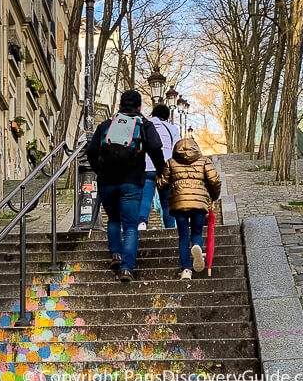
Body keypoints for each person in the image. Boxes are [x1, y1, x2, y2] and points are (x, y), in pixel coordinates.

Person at [86, 90, 166, 282]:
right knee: (130, 226)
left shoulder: (107, 125)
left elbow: (90, 151)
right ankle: (126, 268)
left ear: (120, 106)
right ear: (139, 107)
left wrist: (100, 171)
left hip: (107, 182)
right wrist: (161, 170)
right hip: (131, 182)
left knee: (113, 219)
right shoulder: (143, 124)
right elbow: (155, 148)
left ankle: (116, 254)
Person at [156, 138, 221, 280]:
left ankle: (186, 270)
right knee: (197, 231)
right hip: (199, 203)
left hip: (179, 203)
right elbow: (215, 181)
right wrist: (213, 197)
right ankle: (197, 245)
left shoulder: (171, 163)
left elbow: (163, 184)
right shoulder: (204, 161)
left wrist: (157, 179)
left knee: (183, 236)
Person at [138, 104, 180, 230]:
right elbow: (177, 150)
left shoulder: (144, 125)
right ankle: (170, 228)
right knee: (167, 203)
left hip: (147, 167)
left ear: (153, 114)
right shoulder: (172, 129)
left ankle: (142, 223)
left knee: (146, 198)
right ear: (167, 116)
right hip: (166, 167)